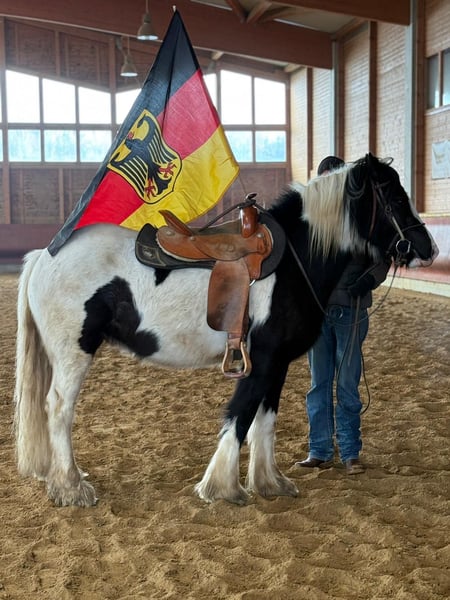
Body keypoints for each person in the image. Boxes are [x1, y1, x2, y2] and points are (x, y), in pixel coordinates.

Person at [296, 156, 391, 475]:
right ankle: (319, 450)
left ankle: (350, 453)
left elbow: (382, 259)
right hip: (316, 313)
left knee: (347, 384)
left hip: (351, 311)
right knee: (318, 384)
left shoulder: (365, 219)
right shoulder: (309, 221)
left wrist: (369, 280)